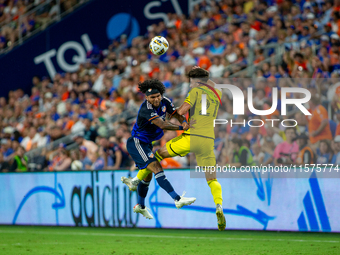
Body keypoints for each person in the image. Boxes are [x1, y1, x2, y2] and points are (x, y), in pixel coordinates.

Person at [136, 67, 226, 231]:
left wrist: (172, 113)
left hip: (192, 137)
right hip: (208, 140)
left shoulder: (195, 93)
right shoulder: (216, 93)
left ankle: (137, 179)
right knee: (212, 179)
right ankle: (218, 205)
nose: (190, 84)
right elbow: (211, 83)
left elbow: (181, 112)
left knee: (158, 154)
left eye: (191, 81)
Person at [121, 79, 196, 219]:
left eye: (158, 96)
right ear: (146, 97)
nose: (156, 99)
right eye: (152, 97)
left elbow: (175, 114)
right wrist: (181, 127)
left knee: (148, 176)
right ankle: (177, 199)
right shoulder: (146, 108)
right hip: (137, 143)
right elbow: (162, 125)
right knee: (157, 167)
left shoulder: (165, 101)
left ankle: (140, 206)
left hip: (147, 144)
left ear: (161, 95)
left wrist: (184, 121)